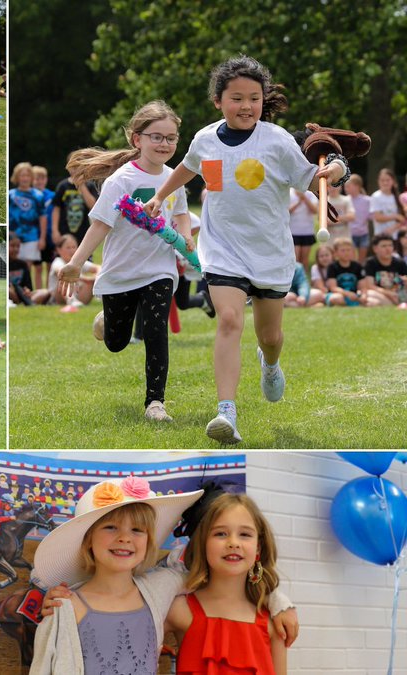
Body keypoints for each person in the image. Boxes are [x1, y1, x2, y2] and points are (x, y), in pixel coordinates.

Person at [141, 56, 347, 444]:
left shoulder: (277, 140)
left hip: (270, 253)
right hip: (222, 249)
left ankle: (270, 365)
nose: (247, 106)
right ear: (218, 101)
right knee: (230, 321)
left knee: (270, 336)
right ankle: (226, 414)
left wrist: (336, 169)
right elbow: (188, 167)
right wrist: (159, 197)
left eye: (254, 97)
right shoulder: (204, 139)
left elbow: (313, 177)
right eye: (237, 98)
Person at [30, 478, 299, 675]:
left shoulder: (160, 589)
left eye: (137, 530)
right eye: (111, 527)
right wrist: (57, 602)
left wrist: (277, 599)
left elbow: (214, 573)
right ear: (88, 540)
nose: (124, 537)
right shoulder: (65, 606)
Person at [60, 100, 190, 423]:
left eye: (171, 138)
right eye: (156, 137)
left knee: (156, 329)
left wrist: (186, 238)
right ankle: (107, 320)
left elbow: (183, 214)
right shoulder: (121, 181)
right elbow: (101, 224)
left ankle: (155, 403)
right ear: (137, 139)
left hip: (159, 268)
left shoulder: (174, 178)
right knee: (116, 343)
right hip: (121, 271)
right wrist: (76, 263)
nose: (164, 144)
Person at [166, 490, 288, 674]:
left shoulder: (274, 622)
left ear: (258, 548)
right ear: (203, 544)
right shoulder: (179, 610)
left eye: (245, 534)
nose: (233, 543)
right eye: (221, 534)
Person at [10, 162, 45, 281]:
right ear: (16, 177)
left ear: (31, 177)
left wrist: (42, 238)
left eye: (27, 175)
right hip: (14, 238)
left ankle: (24, 291)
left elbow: (42, 217)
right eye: (21, 175)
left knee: (26, 268)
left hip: (32, 236)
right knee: (13, 265)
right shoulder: (11, 195)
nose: (24, 178)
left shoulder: (38, 195)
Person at [363, 233, 407, 306]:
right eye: (384, 246)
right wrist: (388, 293)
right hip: (381, 294)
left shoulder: (400, 262)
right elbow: (370, 286)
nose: (388, 249)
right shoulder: (370, 263)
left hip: (398, 294)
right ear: (375, 249)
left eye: (390, 245)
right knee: (370, 295)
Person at [324, 237, 366, 306]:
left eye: (348, 250)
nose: (346, 253)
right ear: (336, 253)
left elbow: (362, 286)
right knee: (337, 298)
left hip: (354, 295)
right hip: (338, 294)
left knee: (372, 301)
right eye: (343, 250)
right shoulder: (332, 267)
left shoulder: (357, 266)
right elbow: (333, 287)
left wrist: (364, 295)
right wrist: (347, 294)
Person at [287, 188, 318, 273]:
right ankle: (294, 282)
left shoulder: (310, 194)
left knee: (305, 261)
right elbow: (286, 211)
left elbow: (315, 210)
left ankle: (305, 281)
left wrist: (304, 198)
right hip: (293, 232)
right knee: (295, 260)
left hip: (307, 231)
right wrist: (299, 202)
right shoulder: (289, 193)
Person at [369, 168, 405, 239]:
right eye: (382, 180)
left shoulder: (397, 197)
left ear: (393, 181)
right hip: (381, 236)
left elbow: (402, 218)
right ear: (378, 181)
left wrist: (392, 229)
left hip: (396, 237)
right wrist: (395, 216)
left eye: (388, 180)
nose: (385, 183)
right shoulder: (376, 196)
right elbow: (378, 217)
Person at [345, 174, 371, 259]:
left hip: (363, 233)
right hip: (350, 234)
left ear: (357, 186)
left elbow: (371, 216)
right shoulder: (345, 200)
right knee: (351, 258)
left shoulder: (367, 200)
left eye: (348, 186)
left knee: (361, 259)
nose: (346, 188)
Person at [307, 243, 334, 307]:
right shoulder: (315, 268)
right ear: (317, 258)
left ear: (332, 255)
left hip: (334, 292)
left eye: (327, 255)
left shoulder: (336, 266)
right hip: (321, 292)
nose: (324, 258)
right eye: (321, 256)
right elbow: (320, 287)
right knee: (316, 295)